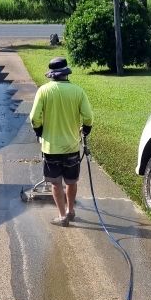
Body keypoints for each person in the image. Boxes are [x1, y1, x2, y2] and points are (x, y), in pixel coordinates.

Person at [29, 56, 93, 226]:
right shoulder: (78, 91)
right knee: (71, 182)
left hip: (51, 148)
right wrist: (85, 129)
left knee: (56, 184)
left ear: (51, 75)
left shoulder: (43, 91)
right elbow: (88, 117)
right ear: (66, 73)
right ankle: (71, 211)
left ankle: (62, 215)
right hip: (71, 147)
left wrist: (39, 131)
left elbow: (34, 117)